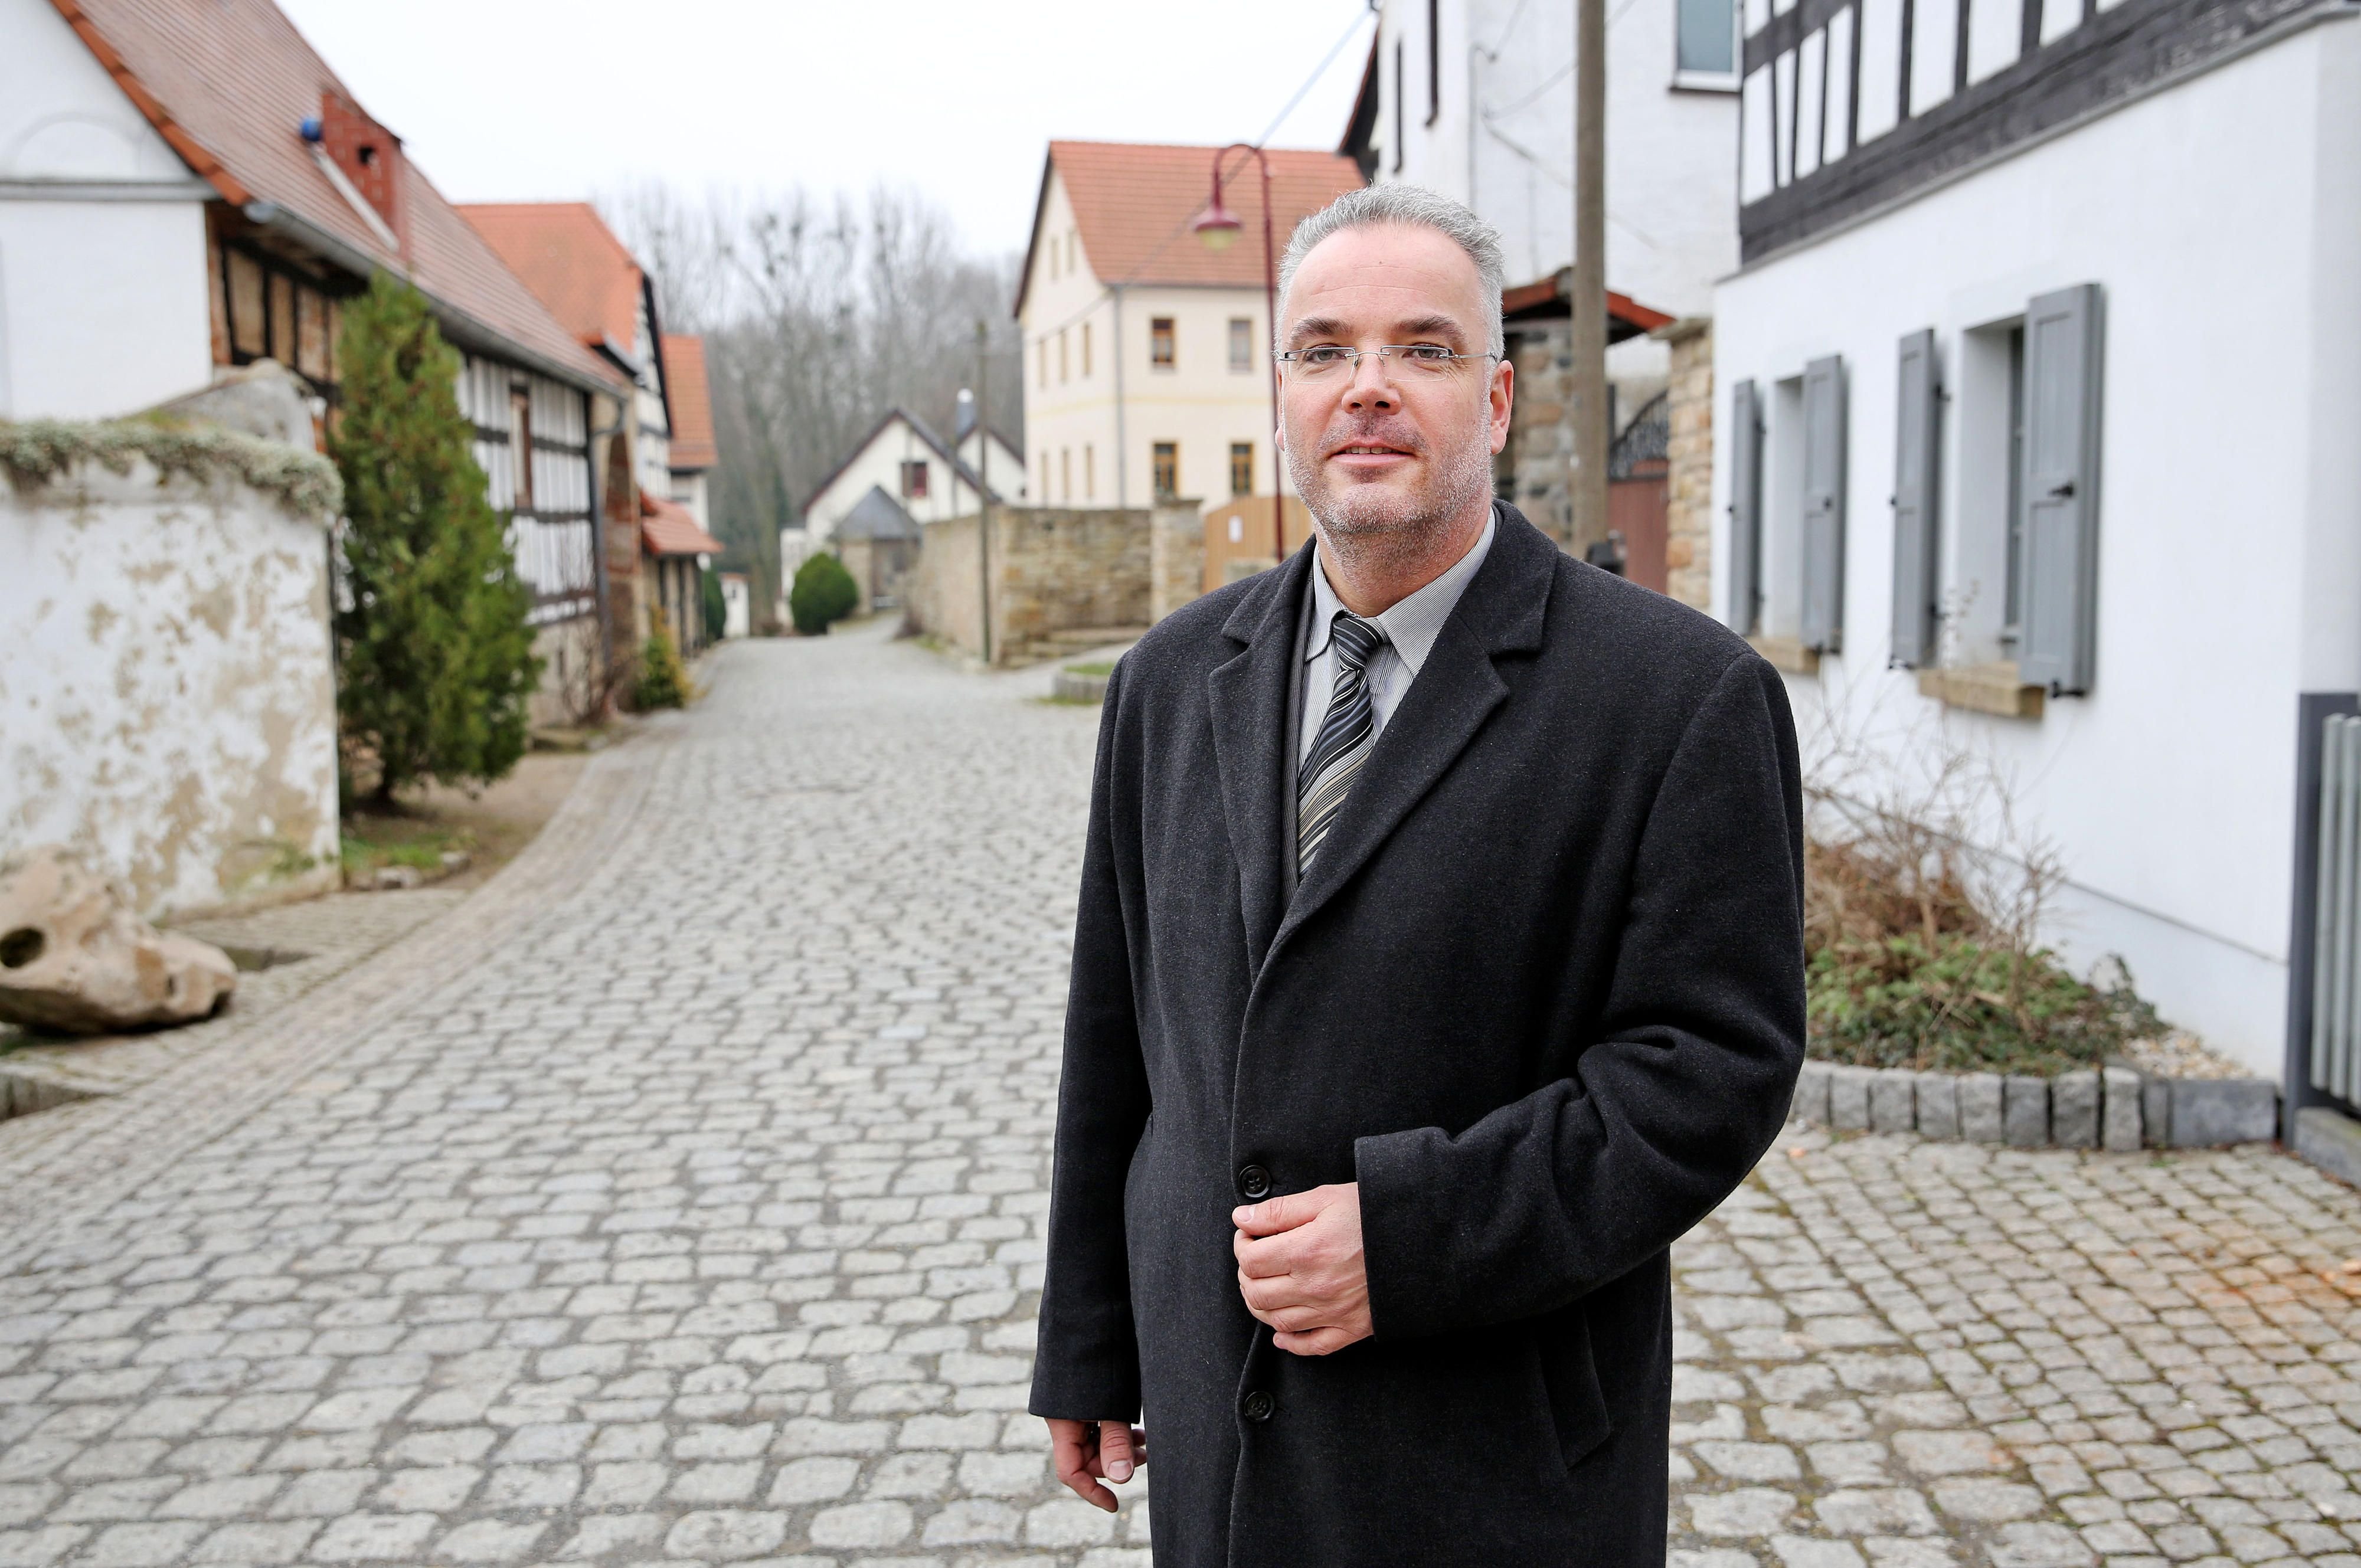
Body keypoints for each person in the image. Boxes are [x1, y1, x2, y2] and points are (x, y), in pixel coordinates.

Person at [1029, 185, 1806, 1568]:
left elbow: (1709, 1066)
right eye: (1322, 350)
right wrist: (1088, 1341)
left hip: (1490, 1455)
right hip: (1220, 1441)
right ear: (1281, 395)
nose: (1367, 388)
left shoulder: (1678, 699)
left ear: (1495, 399)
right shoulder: (1164, 681)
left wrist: (1410, 1233)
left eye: (1423, 350)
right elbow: (1118, 1044)